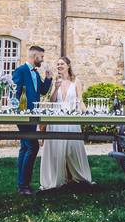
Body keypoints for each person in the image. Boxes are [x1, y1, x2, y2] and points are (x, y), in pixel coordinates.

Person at [40, 56, 93, 190]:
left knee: (72, 150)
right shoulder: (56, 81)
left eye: (61, 64)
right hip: (56, 120)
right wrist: (56, 88)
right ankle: (56, 180)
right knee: (56, 151)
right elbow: (52, 101)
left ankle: (77, 178)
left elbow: (80, 100)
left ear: (68, 65)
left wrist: (87, 114)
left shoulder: (76, 81)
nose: (59, 66)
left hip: (71, 120)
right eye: (57, 64)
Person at [11, 45, 52, 195]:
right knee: (33, 146)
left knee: (25, 147)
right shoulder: (21, 70)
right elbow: (14, 91)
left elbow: (42, 91)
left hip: (33, 116)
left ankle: (22, 185)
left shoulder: (36, 72)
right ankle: (24, 185)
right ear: (35, 57)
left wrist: (48, 78)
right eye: (41, 57)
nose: (42, 60)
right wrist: (18, 110)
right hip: (23, 115)